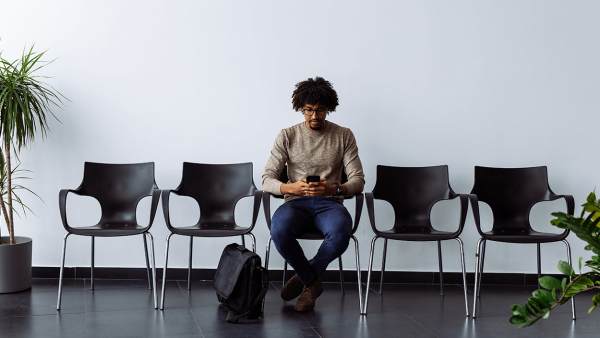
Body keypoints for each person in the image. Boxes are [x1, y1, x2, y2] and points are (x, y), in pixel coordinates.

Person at [262, 76, 365, 312]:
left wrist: (335, 189)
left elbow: (358, 180)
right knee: (279, 231)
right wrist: (291, 188)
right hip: (295, 203)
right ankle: (312, 281)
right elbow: (267, 179)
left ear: (329, 109)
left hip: (330, 203)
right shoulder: (287, 136)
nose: (314, 116)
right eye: (308, 111)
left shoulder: (343, 135)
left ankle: (304, 278)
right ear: (300, 108)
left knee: (340, 233)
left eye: (320, 111)